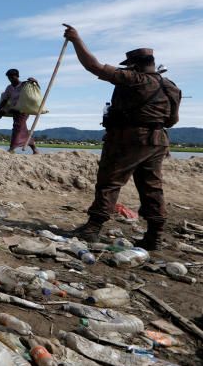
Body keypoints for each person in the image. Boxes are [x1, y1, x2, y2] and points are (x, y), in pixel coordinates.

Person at [63, 25, 181, 250]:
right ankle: (154, 236)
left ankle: (93, 228)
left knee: (110, 181)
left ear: (135, 65)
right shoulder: (171, 87)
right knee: (152, 186)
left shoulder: (134, 79)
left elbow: (93, 66)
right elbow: (172, 120)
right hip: (158, 140)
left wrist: (76, 40)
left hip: (130, 138)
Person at [0, 69, 40, 154]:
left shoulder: (24, 85)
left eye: (12, 77)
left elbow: (36, 91)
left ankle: (12, 148)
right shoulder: (9, 88)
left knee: (17, 127)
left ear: (17, 76)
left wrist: (35, 81)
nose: (10, 79)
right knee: (22, 128)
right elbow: (4, 101)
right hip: (14, 110)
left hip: (24, 110)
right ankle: (34, 149)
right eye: (9, 78)